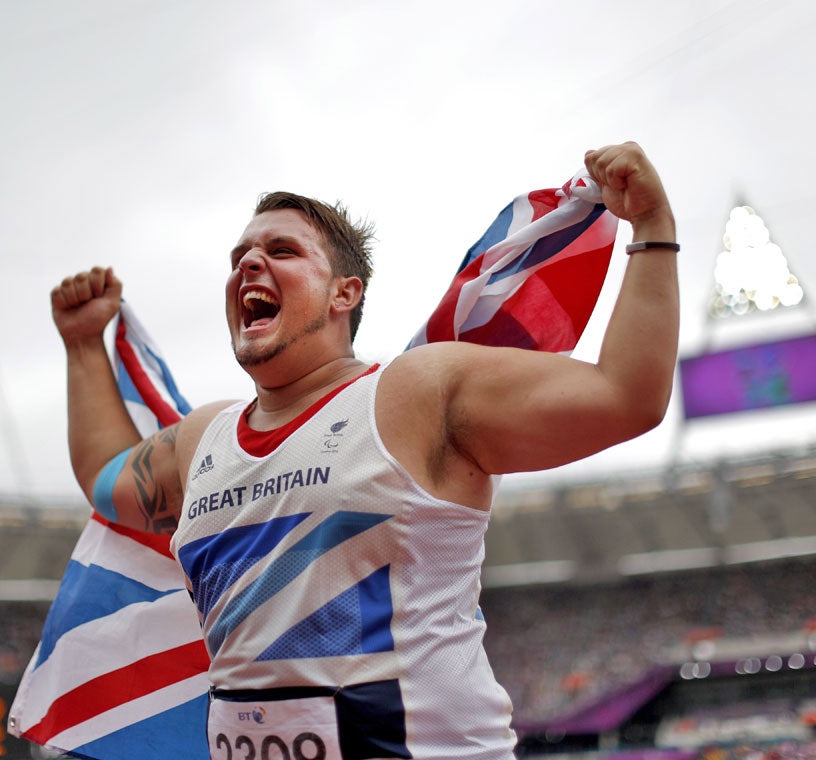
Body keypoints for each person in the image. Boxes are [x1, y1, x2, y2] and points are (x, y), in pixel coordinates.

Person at [50, 141, 679, 759]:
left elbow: (626, 396)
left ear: (343, 294)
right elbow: (105, 479)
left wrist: (651, 228)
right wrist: (83, 347)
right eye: (239, 255)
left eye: (281, 251)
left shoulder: (415, 391)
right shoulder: (201, 440)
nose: (248, 265)